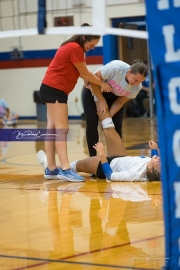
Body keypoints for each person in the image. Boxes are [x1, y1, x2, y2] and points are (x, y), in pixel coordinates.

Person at [38, 22, 112, 182]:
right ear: (84, 38)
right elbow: (84, 72)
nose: (92, 48)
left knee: (52, 129)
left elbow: (77, 71)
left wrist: (86, 78)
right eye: (92, 45)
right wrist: (101, 83)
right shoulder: (75, 48)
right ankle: (65, 169)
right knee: (62, 129)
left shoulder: (73, 47)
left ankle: (51, 169)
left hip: (50, 88)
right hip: (55, 89)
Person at [38, 116, 161, 181]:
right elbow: (155, 161)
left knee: (79, 165)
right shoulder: (151, 165)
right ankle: (99, 100)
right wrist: (154, 149)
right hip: (122, 158)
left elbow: (110, 176)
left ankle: (50, 167)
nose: (159, 161)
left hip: (105, 166)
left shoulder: (135, 173)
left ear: (150, 170)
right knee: (109, 127)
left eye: (158, 164)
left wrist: (102, 155)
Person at [82, 59, 148, 158]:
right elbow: (93, 81)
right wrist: (102, 101)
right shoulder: (116, 68)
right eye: (135, 80)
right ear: (129, 72)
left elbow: (120, 101)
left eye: (140, 81)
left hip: (115, 99)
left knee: (115, 124)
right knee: (92, 122)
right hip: (93, 91)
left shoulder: (137, 87)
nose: (136, 83)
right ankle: (93, 158)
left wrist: (107, 118)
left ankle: (116, 158)